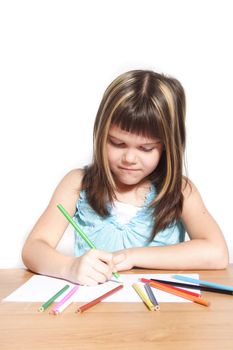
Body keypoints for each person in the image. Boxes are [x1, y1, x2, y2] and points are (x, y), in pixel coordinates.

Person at [22, 69, 229, 286]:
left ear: (167, 147)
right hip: (94, 313)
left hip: (162, 314)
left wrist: (132, 257)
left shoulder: (180, 191)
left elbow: (217, 253)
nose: (129, 158)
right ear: (101, 135)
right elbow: (33, 248)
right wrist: (69, 268)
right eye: (117, 143)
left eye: (146, 148)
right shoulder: (77, 184)